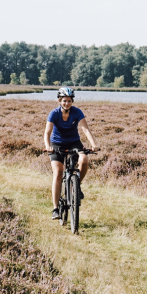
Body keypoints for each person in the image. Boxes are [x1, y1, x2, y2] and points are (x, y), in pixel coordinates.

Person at [44, 87, 98, 219]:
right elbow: (47, 132)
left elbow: (85, 129)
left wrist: (93, 144)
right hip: (57, 144)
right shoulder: (54, 113)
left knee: (84, 160)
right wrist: (48, 146)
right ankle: (56, 209)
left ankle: (77, 186)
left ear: (72, 101)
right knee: (58, 173)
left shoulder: (77, 112)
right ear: (59, 101)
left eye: (69, 101)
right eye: (64, 101)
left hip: (74, 142)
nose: (66, 103)